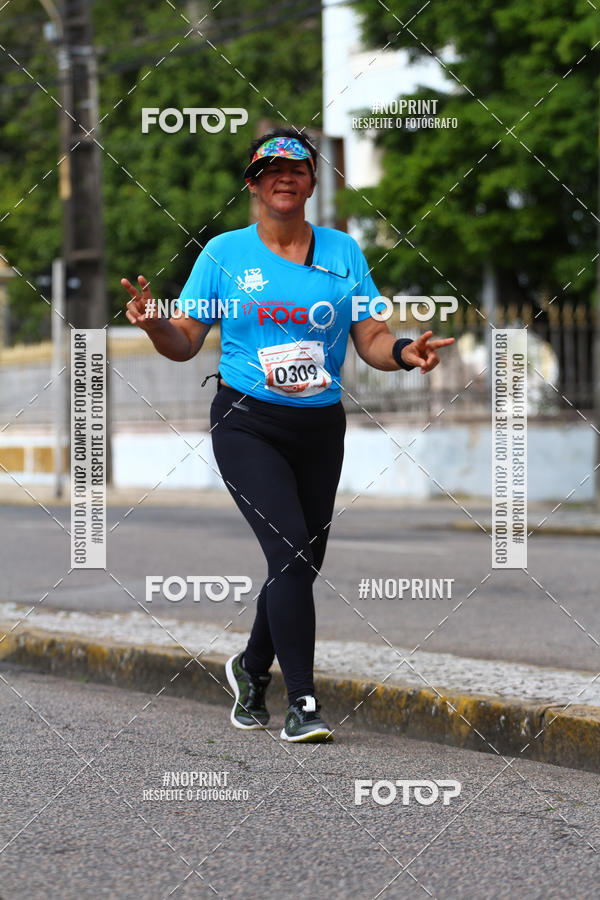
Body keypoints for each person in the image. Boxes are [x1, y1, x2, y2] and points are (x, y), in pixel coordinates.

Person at [121, 127, 454, 743]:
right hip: (248, 422)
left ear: (311, 182)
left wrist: (405, 351)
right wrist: (154, 326)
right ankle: (302, 701)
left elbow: (371, 337)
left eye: (296, 169)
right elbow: (185, 342)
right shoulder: (223, 254)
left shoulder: (343, 252)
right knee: (293, 552)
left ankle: (250, 670)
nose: (284, 177)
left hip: (320, 427)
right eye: (270, 169)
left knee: (297, 563)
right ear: (253, 183)